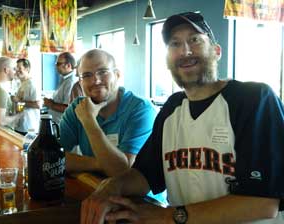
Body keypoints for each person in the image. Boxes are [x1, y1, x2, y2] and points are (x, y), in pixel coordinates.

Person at [80, 12, 284, 224]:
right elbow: (145, 175)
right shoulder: (172, 108)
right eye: (174, 44)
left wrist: (171, 216)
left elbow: (264, 202)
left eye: (194, 40)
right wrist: (112, 186)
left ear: (216, 51)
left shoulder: (254, 99)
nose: (185, 51)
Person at [60, 49, 157, 177]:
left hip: (139, 196)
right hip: (96, 188)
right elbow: (53, 158)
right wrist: (100, 164)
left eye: (102, 72)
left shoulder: (141, 110)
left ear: (117, 75)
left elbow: (123, 173)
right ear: (80, 82)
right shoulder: (76, 108)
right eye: (87, 75)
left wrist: (89, 121)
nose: (96, 80)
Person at [43, 52, 77, 124]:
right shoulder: (64, 79)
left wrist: (50, 104)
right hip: (56, 122)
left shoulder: (70, 82)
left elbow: (68, 108)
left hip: (62, 124)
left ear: (68, 65)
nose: (56, 66)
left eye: (58, 64)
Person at [11, 58, 41, 135]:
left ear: (27, 69)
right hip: (20, 125)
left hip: (29, 127)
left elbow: (38, 105)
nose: (17, 71)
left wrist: (18, 101)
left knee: (27, 146)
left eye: (19, 68)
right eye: (16, 68)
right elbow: (20, 104)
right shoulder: (21, 83)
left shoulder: (32, 84)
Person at [0, 56, 20, 127]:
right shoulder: (1, 91)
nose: (15, 72)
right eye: (13, 69)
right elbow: (0, 121)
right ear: (6, 70)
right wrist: (17, 116)